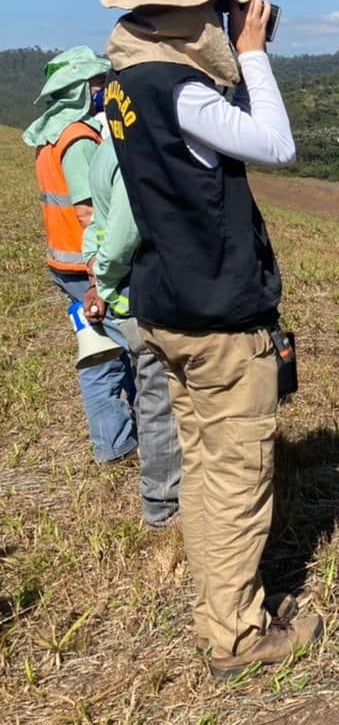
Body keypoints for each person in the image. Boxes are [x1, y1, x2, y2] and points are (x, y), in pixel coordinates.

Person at [101, 0, 320, 680]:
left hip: (167, 306)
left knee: (202, 465)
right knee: (236, 479)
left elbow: (192, 150)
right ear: (195, 7)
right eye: (218, 4)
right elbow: (276, 144)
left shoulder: (129, 80)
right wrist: (252, 53)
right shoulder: (180, 88)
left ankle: (216, 601)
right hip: (219, 319)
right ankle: (234, 635)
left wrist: (232, 52)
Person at [25, 46, 137, 464]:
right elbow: (90, 212)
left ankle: (119, 436)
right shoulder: (78, 139)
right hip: (83, 264)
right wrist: (98, 276)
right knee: (106, 355)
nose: (103, 91)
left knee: (100, 347)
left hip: (63, 260)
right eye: (96, 85)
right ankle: (115, 443)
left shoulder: (49, 133)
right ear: (79, 91)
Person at [81, 130, 182, 529]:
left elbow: (96, 226)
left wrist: (96, 276)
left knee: (152, 394)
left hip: (124, 293)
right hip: (138, 295)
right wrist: (104, 280)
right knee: (159, 400)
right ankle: (163, 505)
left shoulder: (105, 149)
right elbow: (123, 235)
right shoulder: (131, 150)